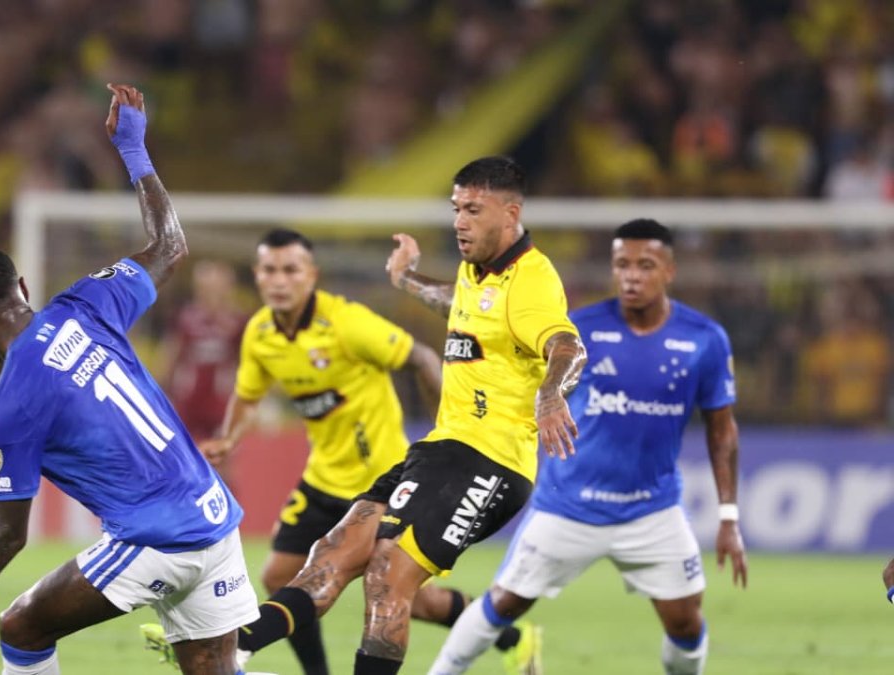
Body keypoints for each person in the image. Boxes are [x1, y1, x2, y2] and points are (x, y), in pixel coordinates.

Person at [0, 83, 259, 675]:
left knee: (22, 627)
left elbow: (6, 537)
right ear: (22, 288)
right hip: (216, 521)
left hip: (157, 539)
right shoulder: (88, 303)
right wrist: (134, 149)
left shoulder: (10, 406)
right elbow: (171, 247)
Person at [428, 218, 749, 675]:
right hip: (568, 505)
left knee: (685, 621)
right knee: (505, 602)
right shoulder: (579, 331)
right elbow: (511, 349)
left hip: (652, 510)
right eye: (622, 264)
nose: (632, 275)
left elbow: (722, 429)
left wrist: (729, 517)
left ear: (670, 270)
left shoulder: (704, 339)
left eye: (645, 264)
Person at [353, 155, 588, 675]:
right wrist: (407, 280)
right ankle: (509, 640)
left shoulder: (530, 280)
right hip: (446, 447)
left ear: (510, 213)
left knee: (389, 574)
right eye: (456, 207)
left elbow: (568, 347)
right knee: (356, 559)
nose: (459, 220)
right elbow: (460, 303)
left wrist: (551, 395)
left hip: (492, 458)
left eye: (473, 209)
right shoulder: (478, 269)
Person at [196, 228, 459, 674]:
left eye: (290, 270)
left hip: (381, 479)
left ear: (311, 275)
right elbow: (247, 393)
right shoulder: (260, 333)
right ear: (257, 276)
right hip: (323, 476)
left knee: (410, 599)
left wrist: (449, 431)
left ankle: (505, 631)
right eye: (269, 270)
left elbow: (423, 358)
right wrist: (229, 438)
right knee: (280, 576)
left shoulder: (347, 323)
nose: (279, 280)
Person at [162, 259, 247, 444]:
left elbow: (245, 360)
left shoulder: (237, 321)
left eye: (218, 287)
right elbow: (172, 353)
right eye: (207, 287)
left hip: (221, 399)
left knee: (221, 452)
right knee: (182, 450)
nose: (212, 293)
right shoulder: (186, 317)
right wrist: (163, 388)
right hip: (188, 397)